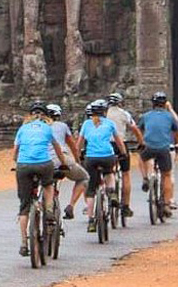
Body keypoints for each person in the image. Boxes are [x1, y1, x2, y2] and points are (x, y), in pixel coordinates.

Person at [14, 101, 69, 257]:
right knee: (48, 185)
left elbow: (16, 151)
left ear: (30, 116)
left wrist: (17, 162)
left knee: (24, 207)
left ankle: (24, 243)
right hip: (44, 164)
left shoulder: (22, 128)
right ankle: (50, 211)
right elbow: (57, 148)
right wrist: (64, 164)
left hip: (23, 166)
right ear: (45, 116)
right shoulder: (47, 128)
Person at [76, 99, 127, 233]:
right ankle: (112, 192)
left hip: (91, 158)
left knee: (91, 189)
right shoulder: (110, 123)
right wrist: (124, 153)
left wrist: (78, 156)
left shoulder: (86, 124)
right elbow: (119, 142)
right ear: (105, 112)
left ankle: (91, 220)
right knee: (109, 173)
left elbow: (79, 143)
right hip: (107, 156)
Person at [137, 91, 178, 217]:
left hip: (149, 147)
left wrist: (141, 141)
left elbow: (138, 129)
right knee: (166, 175)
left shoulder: (146, 116)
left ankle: (145, 178)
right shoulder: (170, 117)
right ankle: (167, 205)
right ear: (164, 104)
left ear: (153, 104)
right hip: (164, 149)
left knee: (141, 158)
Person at [45, 103, 90, 220]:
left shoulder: (38, 126)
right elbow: (74, 147)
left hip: (41, 160)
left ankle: (39, 205)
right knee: (83, 177)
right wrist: (78, 161)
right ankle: (71, 206)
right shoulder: (62, 126)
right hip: (61, 159)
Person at [105, 92, 145, 217]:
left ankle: (107, 193)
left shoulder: (103, 114)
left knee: (107, 171)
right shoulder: (124, 114)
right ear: (120, 103)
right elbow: (135, 129)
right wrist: (141, 143)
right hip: (120, 144)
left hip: (105, 145)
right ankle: (126, 206)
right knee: (126, 173)